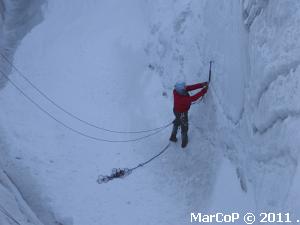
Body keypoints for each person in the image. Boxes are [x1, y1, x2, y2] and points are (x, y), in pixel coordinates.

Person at [170, 81, 208, 148]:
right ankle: (184, 142)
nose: (185, 88)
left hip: (176, 111)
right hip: (182, 113)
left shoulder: (176, 91)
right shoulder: (182, 99)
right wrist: (204, 91)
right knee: (184, 127)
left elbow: (190, 87)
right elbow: (193, 98)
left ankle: (173, 136)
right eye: (184, 88)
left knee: (177, 122)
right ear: (181, 89)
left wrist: (201, 85)